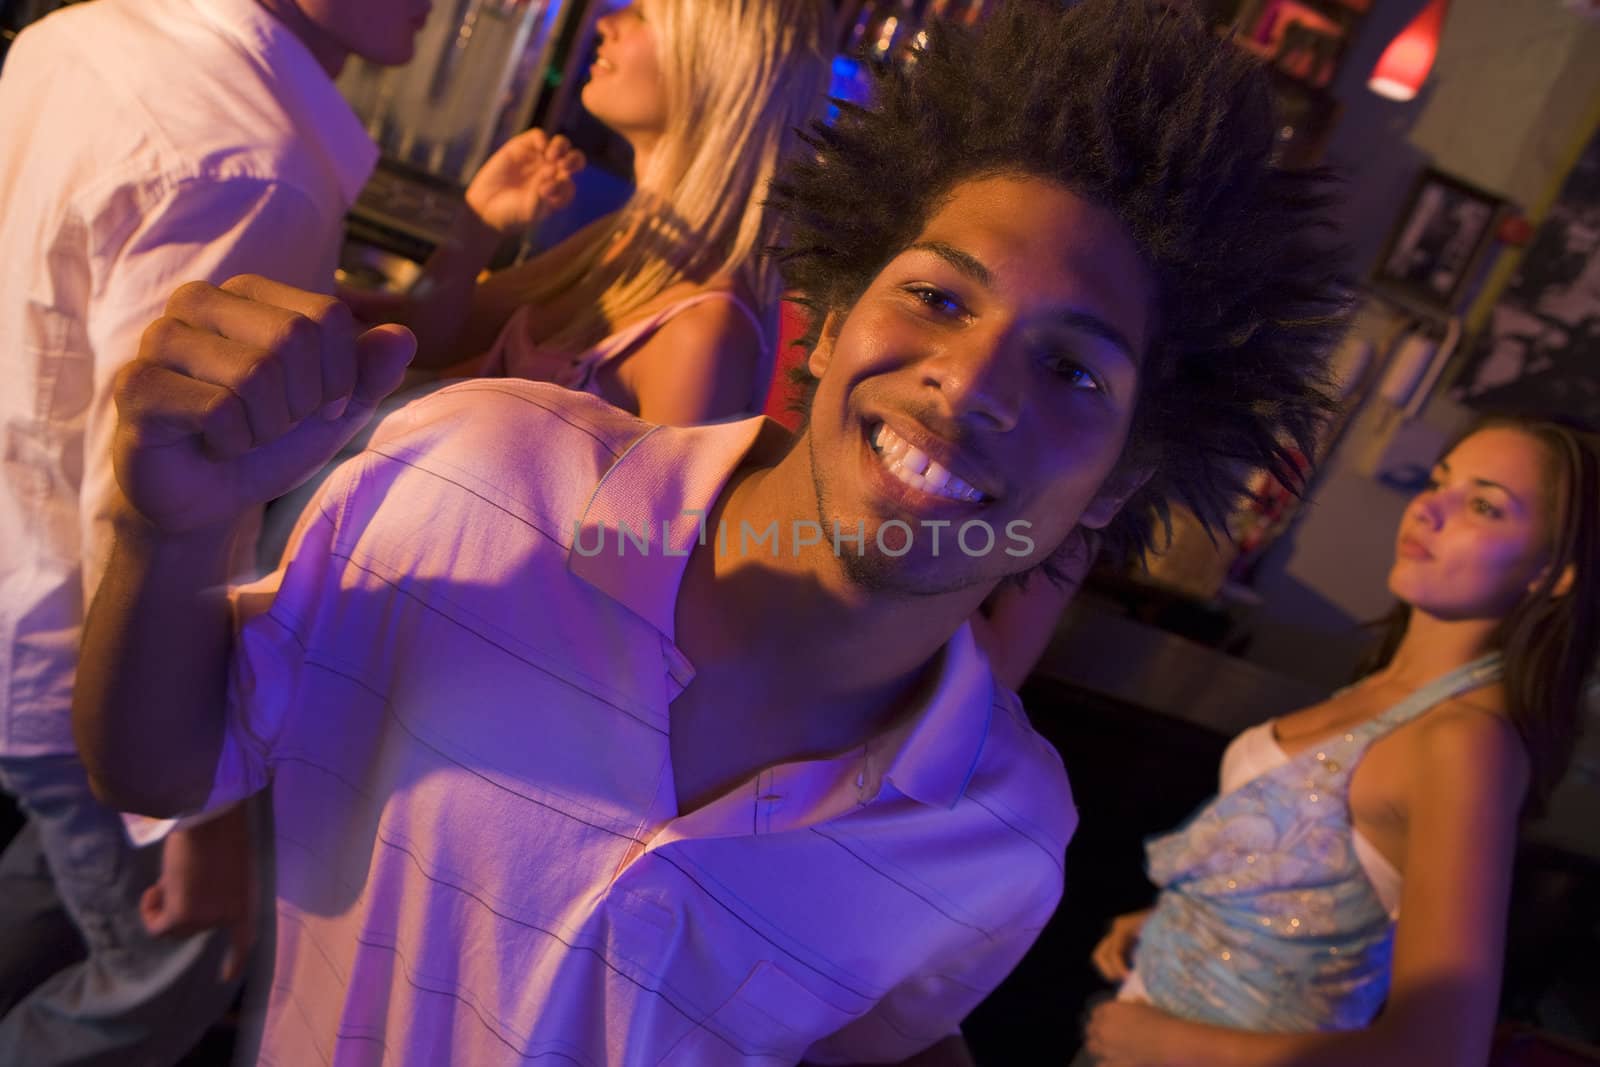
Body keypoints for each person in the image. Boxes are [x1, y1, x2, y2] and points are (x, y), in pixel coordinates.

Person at [72, 1, 1348, 1062]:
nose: (969, 383)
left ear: (1123, 478)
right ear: (837, 306)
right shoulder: (484, 471)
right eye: (937, 295)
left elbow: (858, 1032)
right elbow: (164, 766)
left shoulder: (998, 833)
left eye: (1076, 371)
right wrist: (160, 528)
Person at [0, 0, 426, 1062]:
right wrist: (198, 814)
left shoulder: (84, 32)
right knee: (166, 983)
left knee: (46, 904)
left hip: (22, 582)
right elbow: (153, 496)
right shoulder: (253, 158)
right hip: (82, 656)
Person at [1081, 415, 1600, 1067]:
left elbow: (1439, 1049)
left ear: (1555, 573)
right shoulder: (1391, 685)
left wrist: (1168, 1041)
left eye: (1483, 505)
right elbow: (1313, 879)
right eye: (1440, 482)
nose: (1429, 509)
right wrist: (1195, 924)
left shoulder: (1467, 742)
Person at [350, 0, 831, 426]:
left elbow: (652, 529)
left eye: (642, 12)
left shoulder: (705, 333)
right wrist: (479, 226)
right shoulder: (619, 241)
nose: (606, 20)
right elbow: (426, 342)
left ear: (719, 68)